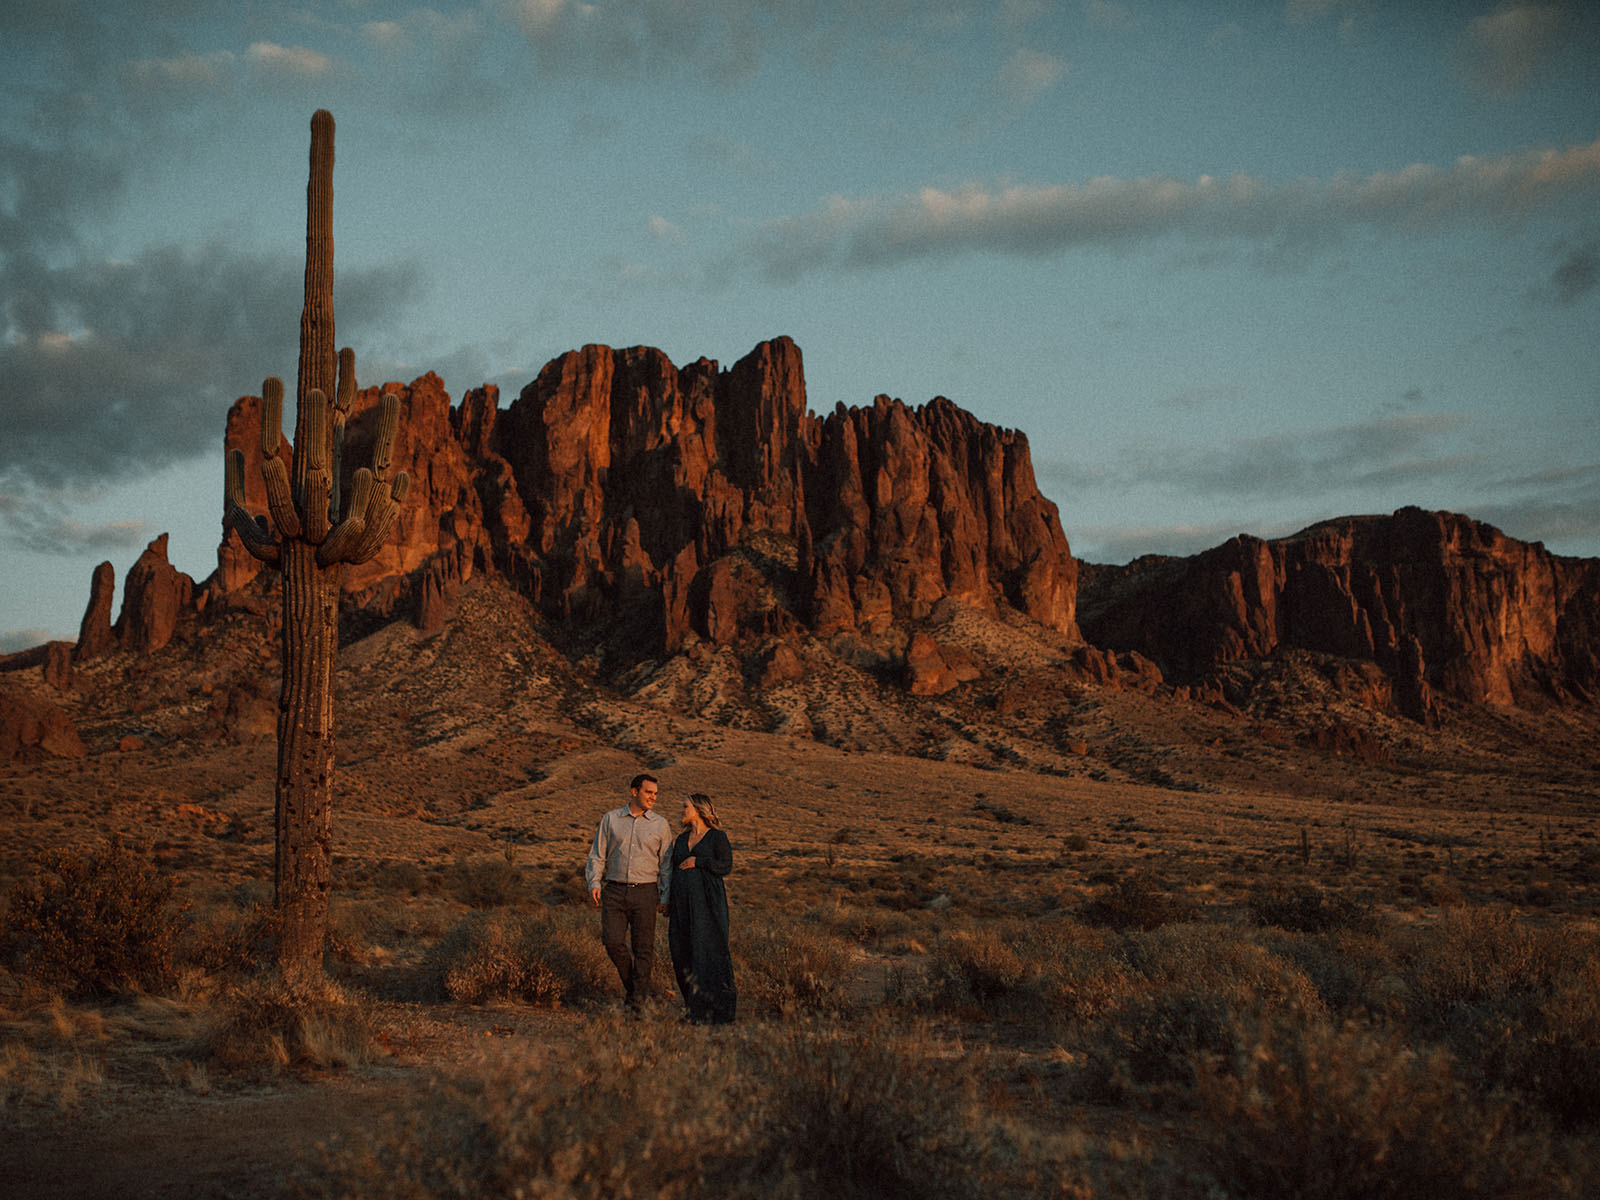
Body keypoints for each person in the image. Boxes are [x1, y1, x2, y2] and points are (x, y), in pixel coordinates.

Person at [586, 773, 674, 1011]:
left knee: (643, 947)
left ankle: (636, 1004)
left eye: (655, 794)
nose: (653, 798)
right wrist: (594, 882)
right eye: (648, 792)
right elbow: (598, 853)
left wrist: (665, 897)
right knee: (612, 941)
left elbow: (666, 866)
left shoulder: (660, 825)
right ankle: (636, 990)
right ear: (634, 792)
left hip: (646, 892)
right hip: (614, 890)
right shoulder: (610, 819)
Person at [667, 792, 736, 1024]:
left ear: (699, 809)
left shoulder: (717, 837)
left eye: (685, 806)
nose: (682, 810)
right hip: (681, 906)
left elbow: (725, 865)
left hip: (708, 906)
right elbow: (672, 869)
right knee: (681, 952)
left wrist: (699, 862)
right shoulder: (680, 840)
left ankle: (719, 1013)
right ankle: (694, 1009)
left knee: (711, 954)